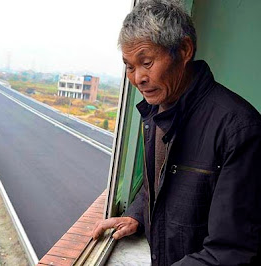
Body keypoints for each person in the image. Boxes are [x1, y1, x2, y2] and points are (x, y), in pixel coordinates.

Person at [91, 0, 261, 265]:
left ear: (184, 50)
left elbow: (232, 250)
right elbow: (163, 182)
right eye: (130, 66)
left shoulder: (239, 128)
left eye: (146, 62)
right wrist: (137, 213)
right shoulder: (157, 110)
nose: (138, 78)